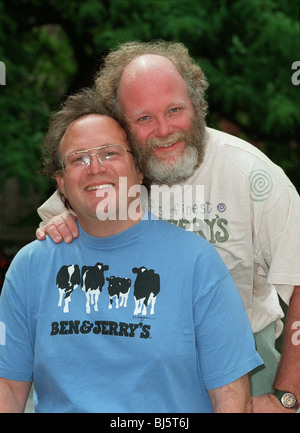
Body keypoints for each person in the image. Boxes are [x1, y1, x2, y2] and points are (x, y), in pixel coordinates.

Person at [36, 41, 300, 413]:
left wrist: (287, 397)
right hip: (137, 363)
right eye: (143, 118)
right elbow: (60, 228)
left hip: (245, 362)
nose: (164, 130)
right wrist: (69, 220)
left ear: (197, 105)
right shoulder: (113, 173)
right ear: (122, 124)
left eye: (174, 110)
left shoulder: (254, 176)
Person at [0, 87, 262, 413]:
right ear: (62, 183)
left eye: (110, 153)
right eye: (78, 158)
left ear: (139, 170)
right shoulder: (31, 266)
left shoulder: (196, 262)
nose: (95, 167)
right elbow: (8, 390)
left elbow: (232, 400)